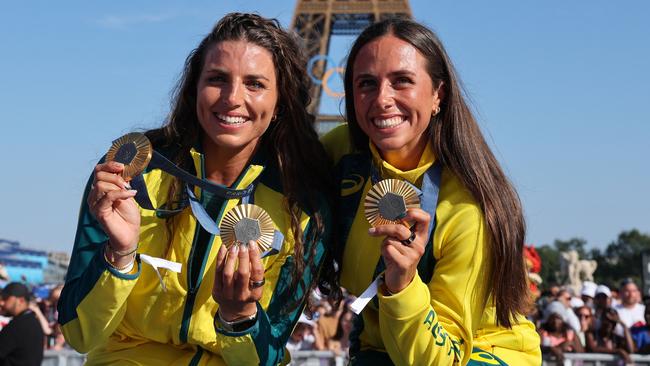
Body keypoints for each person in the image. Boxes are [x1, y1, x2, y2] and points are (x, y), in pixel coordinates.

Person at [59, 13, 336, 365]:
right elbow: (78, 333)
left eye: (254, 84)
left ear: (280, 102)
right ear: (194, 89)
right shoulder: (131, 171)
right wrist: (119, 255)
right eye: (218, 79)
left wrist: (239, 316)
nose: (233, 98)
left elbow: (266, 356)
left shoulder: (304, 207)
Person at [321, 18, 540, 365]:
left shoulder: (469, 207)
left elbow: (441, 359)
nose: (382, 99)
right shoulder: (340, 152)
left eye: (402, 81)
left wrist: (404, 285)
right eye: (366, 83)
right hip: (382, 350)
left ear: (439, 94)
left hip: (475, 354)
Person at [0, 282, 44, 366]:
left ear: (21, 300)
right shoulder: (32, 321)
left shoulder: (17, 325)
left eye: (5, 298)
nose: (1, 303)